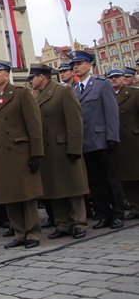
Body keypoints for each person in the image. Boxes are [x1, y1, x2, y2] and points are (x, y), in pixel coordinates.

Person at [0, 59, 44, 249]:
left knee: (26, 195)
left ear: (6, 74)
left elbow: (34, 126)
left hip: (21, 153)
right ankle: (19, 233)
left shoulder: (21, 94)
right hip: (1, 155)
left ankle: (33, 233)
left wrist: (36, 152)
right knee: (9, 196)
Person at [28, 64, 88, 240]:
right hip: (47, 150)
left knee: (73, 188)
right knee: (54, 188)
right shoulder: (34, 96)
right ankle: (63, 223)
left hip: (63, 146)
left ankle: (79, 223)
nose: (31, 81)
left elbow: (75, 120)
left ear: (42, 77)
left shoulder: (63, 91)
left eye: (33, 77)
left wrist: (75, 147)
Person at [70, 51, 124, 229]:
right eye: (74, 65)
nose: (76, 67)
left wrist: (112, 136)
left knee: (110, 179)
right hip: (86, 143)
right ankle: (103, 214)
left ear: (89, 65)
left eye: (80, 63)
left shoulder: (102, 85)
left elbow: (111, 112)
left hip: (101, 139)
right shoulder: (74, 90)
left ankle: (117, 213)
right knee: (94, 181)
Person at [106, 68, 139, 220]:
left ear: (123, 78)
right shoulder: (108, 95)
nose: (114, 80)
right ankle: (135, 206)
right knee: (126, 177)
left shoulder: (133, 93)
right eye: (111, 78)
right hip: (118, 141)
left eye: (117, 77)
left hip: (133, 139)